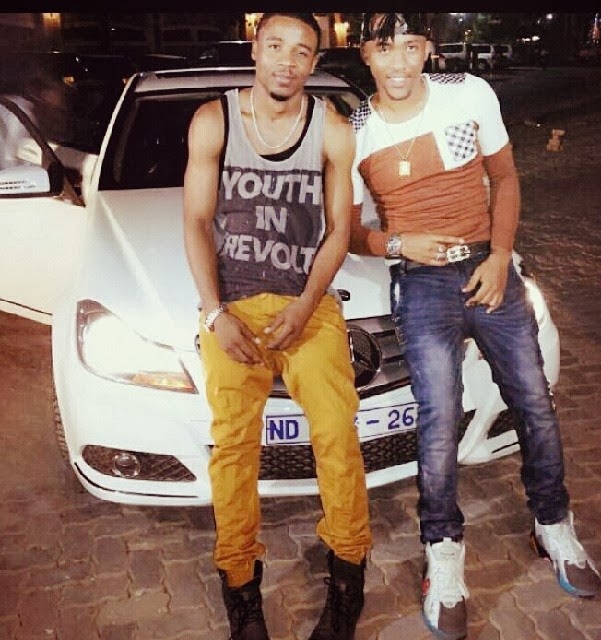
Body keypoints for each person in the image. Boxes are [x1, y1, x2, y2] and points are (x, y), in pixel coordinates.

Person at [349, 13, 601, 640]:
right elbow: (350, 230)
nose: (400, 62)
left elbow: (505, 177)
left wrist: (499, 256)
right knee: (438, 420)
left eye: (411, 46)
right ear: (365, 55)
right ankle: (443, 551)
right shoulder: (354, 130)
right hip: (420, 282)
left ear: (427, 49)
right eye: (385, 48)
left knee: (534, 402)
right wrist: (398, 243)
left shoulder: (468, 93)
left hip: (490, 269)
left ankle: (554, 524)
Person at [183, 13, 372, 640]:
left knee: (337, 434)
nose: (286, 62)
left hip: (306, 305)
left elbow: (339, 230)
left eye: (301, 51)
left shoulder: (332, 129)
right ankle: (241, 587)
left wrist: (306, 303)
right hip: (232, 310)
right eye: (275, 47)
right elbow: (196, 220)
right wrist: (215, 311)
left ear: (314, 61)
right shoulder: (214, 120)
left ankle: (347, 575)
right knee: (234, 448)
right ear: (256, 51)